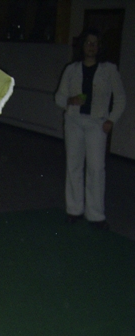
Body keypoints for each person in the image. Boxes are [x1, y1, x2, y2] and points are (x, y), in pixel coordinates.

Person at [55, 27, 126, 230]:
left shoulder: (109, 70)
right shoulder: (72, 69)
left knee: (96, 168)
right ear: (82, 46)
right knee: (74, 165)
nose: (91, 47)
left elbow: (120, 98)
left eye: (95, 43)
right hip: (74, 122)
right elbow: (59, 97)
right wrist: (70, 100)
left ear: (99, 47)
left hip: (97, 123)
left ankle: (95, 214)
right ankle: (74, 209)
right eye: (88, 43)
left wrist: (111, 120)